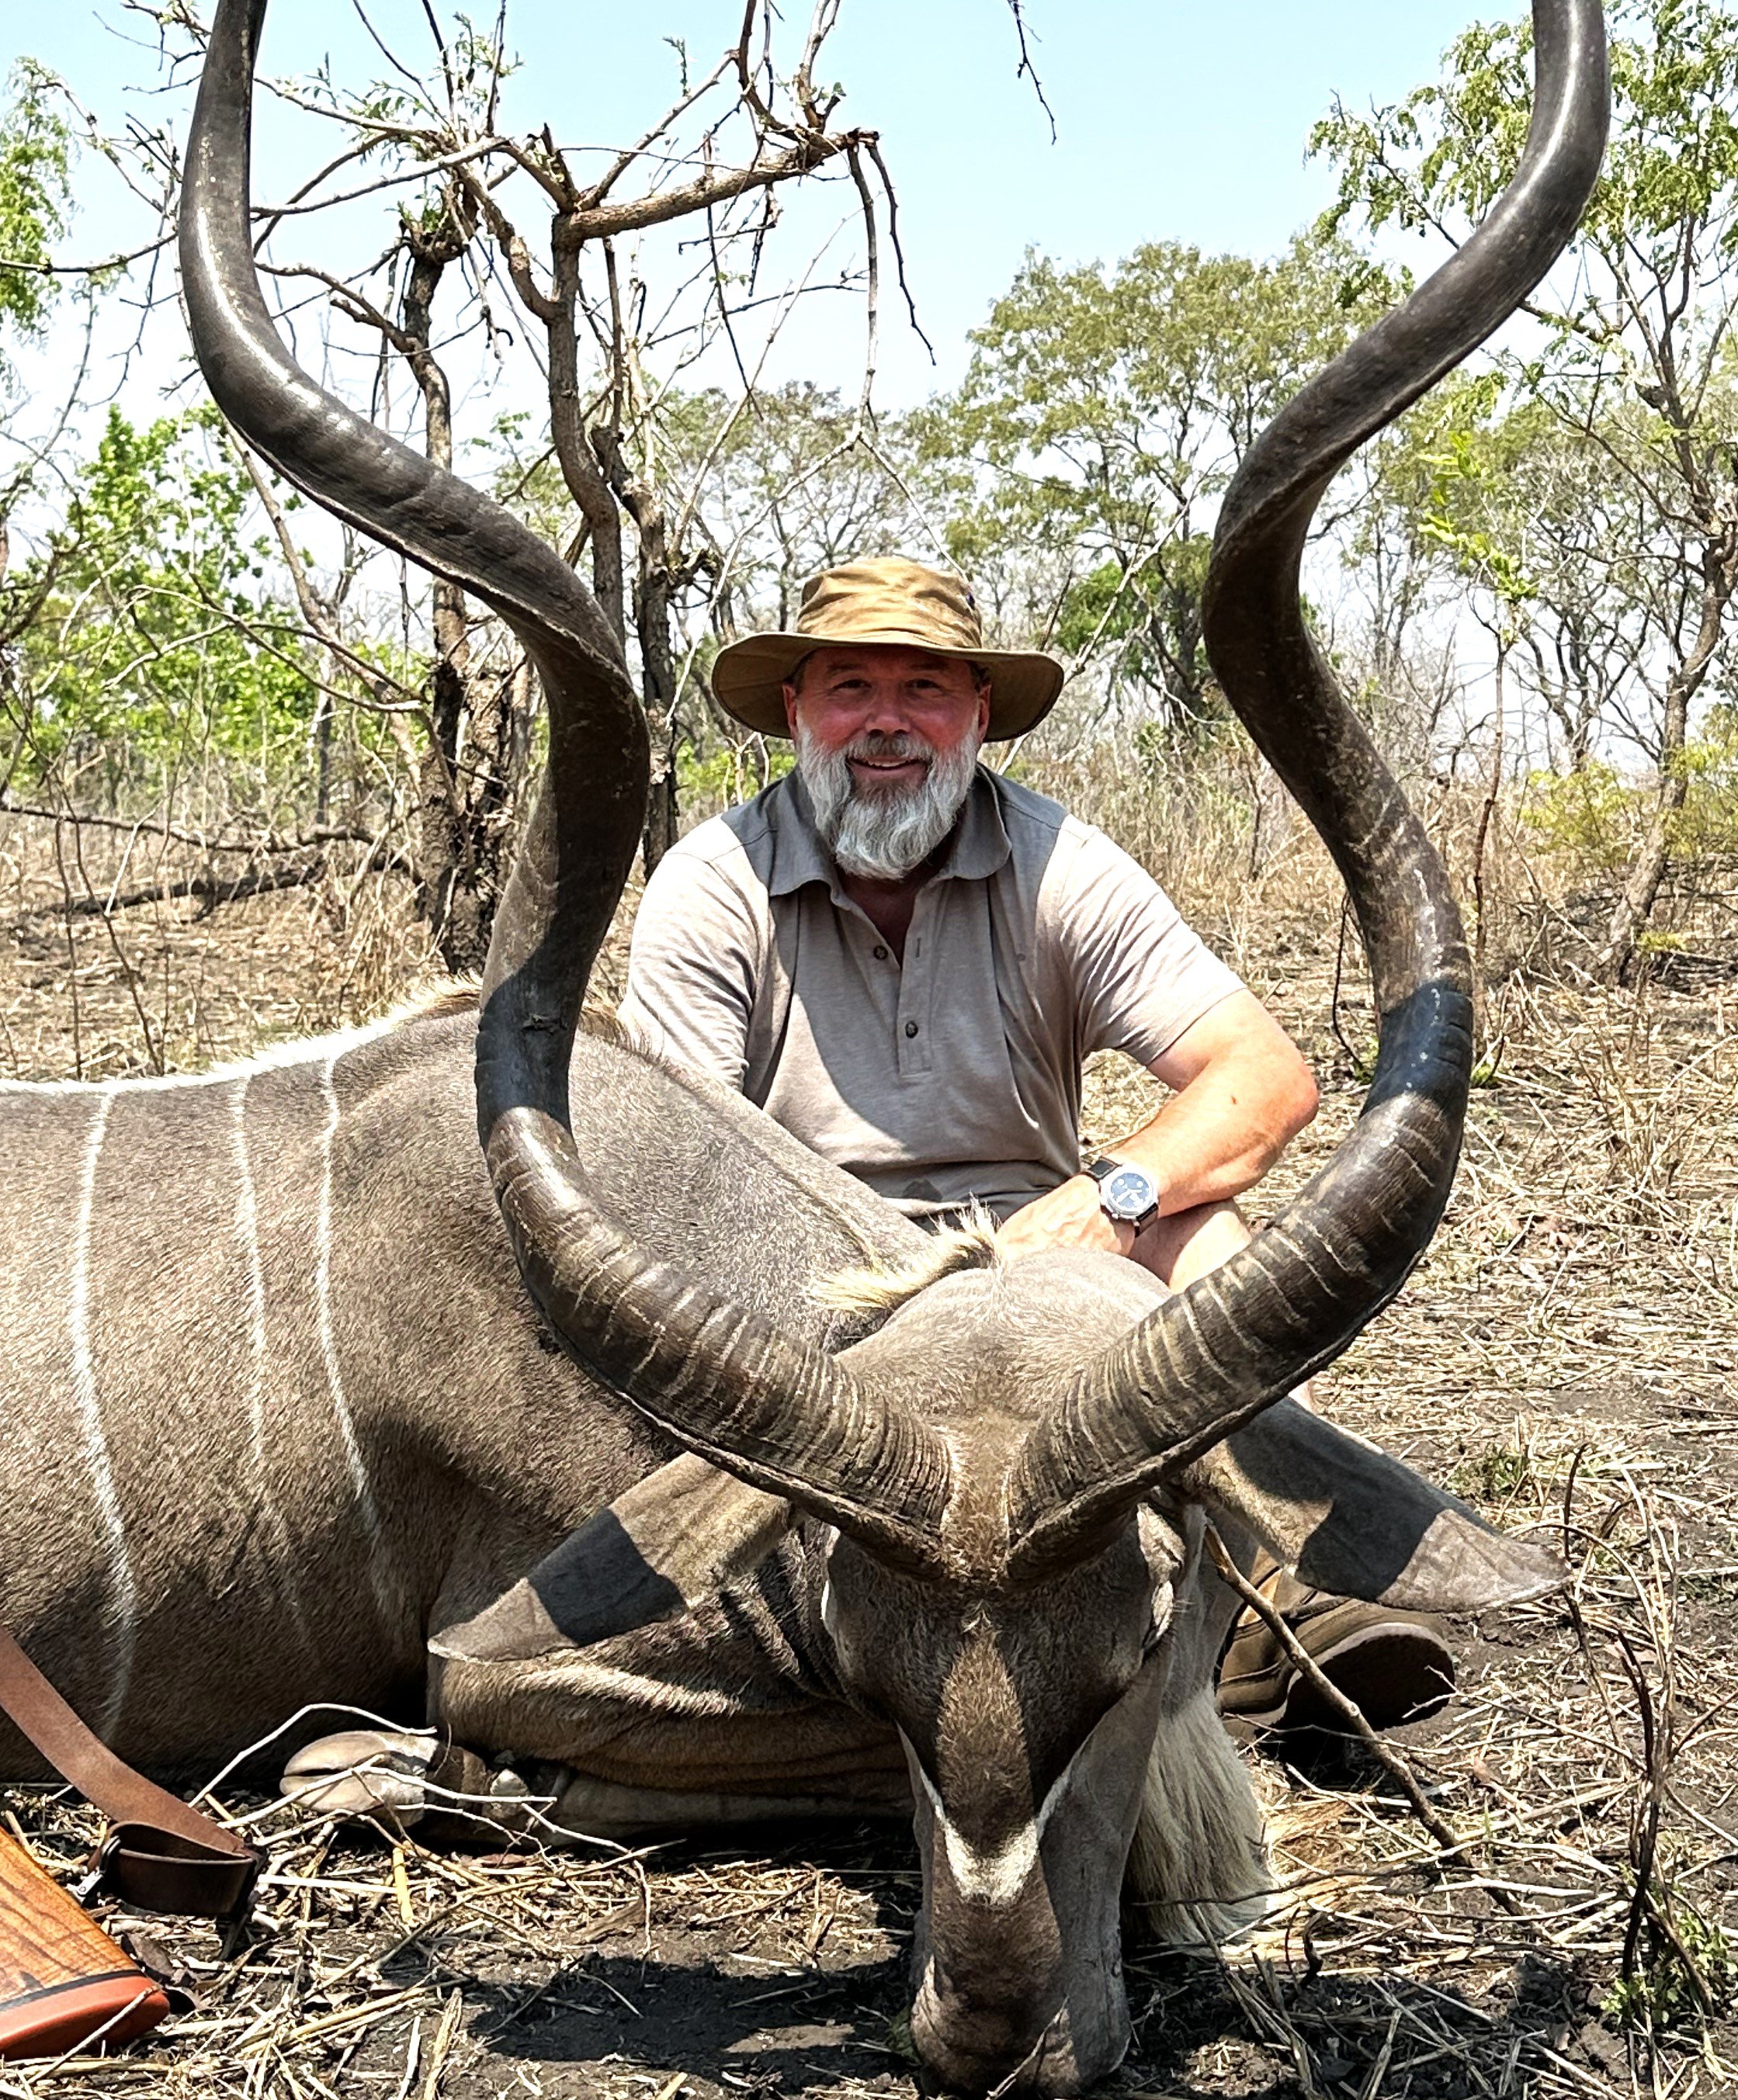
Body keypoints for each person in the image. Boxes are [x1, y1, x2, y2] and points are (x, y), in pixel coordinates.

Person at [618, 556, 1453, 1733]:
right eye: (851, 687)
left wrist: (1112, 1197)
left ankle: (1276, 1596)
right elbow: (673, 1176)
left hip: (1036, 1261)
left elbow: (1263, 1077)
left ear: (981, 715)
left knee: (1209, 1241)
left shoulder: (1059, 860)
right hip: (808, 1289)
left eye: (927, 688)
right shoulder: (714, 883)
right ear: (797, 711)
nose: (888, 724)